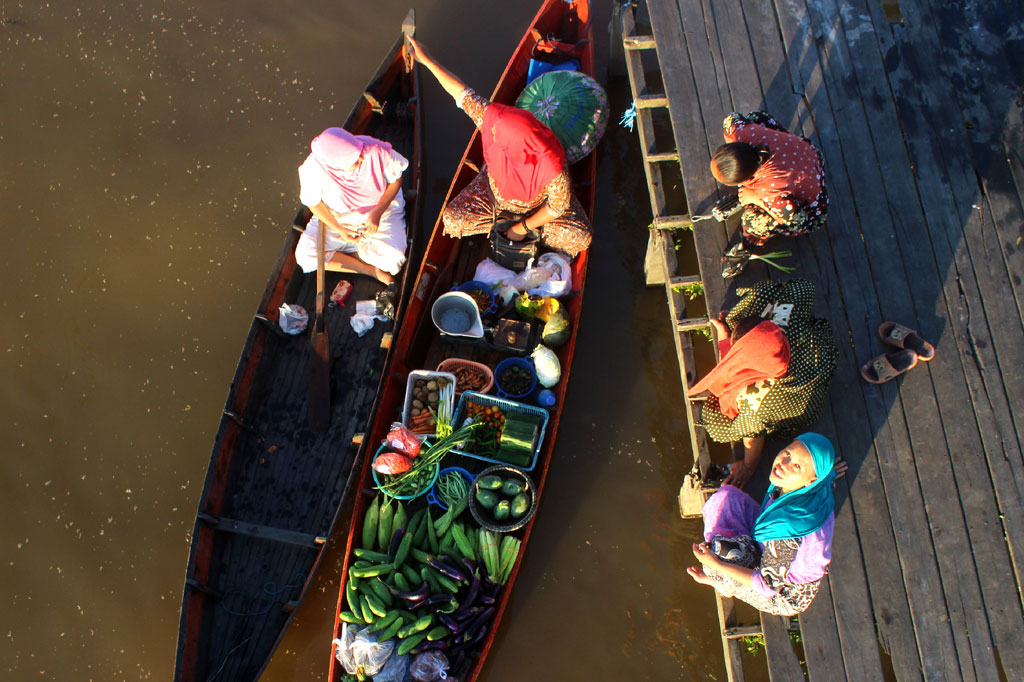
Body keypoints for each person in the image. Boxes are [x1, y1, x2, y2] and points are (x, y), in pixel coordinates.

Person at [407, 36, 591, 257]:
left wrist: (521, 228)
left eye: (496, 135)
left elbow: (557, 207)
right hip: (494, 196)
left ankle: (534, 234)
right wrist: (427, 60)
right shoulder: (493, 121)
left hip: (538, 208)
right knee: (453, 221)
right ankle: (508, 225)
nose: (491, 132)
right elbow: (462, 94)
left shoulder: (552, 168)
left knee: (580, 237)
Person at [687, 279, 838, 489]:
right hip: (817, 361)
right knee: (741, 317)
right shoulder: (778, 333)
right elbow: (803, 286)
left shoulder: (755, 400)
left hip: (800, 409)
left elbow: (752, 432)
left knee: (716, 426)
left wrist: (749, 466)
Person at [687, 433, 846, 616]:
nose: (783, 464)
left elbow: (768, 586)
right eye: (787, 453)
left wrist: (717, 565)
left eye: (796, 466)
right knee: (726, 497)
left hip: (783, 592)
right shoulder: (816, 489)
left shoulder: (788, 533)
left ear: (812, 480)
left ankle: (724, 585)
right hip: (772, 542)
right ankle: (727, 574)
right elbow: (821, 478)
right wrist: (829, 474)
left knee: (716, 554)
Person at [710, 111, 827, 275]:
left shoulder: (771, 189)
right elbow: (731, 118)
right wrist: (734, 153)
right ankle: (747, 194)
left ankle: (747, 248)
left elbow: (796, 221)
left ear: (748, 177)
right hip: (808, 152)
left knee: (754, 221)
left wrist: (756, 199)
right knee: (757, 119)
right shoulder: (741, 132)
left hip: (812, 206)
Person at [295, 127, 409, 285]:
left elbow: (396, 180)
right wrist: (339, 229)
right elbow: (314, 204)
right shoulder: (311, 169)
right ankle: (369, 270)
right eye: (355, 161)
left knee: (394, 259)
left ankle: (347, 251)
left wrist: (377, 213)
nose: (361, 159)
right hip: (339, 217)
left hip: (380, 208)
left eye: (360, 154)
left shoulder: (373, 150)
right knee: (304, 256)